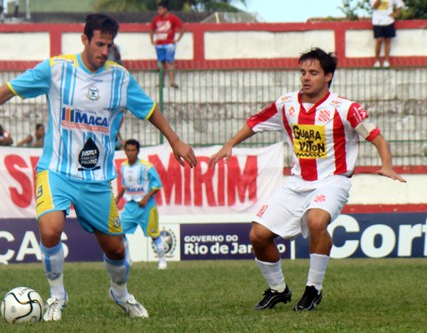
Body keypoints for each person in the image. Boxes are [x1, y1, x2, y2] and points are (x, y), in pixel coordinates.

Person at [0, 13, 196, 321]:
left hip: (97, 181)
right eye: (99, 43)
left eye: (109, 45)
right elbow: (9, 89)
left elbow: (149, 110)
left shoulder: (119, 78)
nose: (104, 51)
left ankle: (120, 293)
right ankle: (57, 296)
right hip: (55, 171)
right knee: (50, 230)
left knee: (116, 250)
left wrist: (175, 141)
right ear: (85, 39)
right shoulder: (57, 69)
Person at [208, 47, 406, 311]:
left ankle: (313, 289)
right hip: (297, 182)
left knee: (316, 220)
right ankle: (278, 290)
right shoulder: (286, 104)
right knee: (258, 235)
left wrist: (387, 165)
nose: (306, 77)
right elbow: (255, 123)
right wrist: (229, 144)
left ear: (328, 76)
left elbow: (376, 137)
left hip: (334, 180)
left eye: (313, 72)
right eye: (303, 72)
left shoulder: (345, 108)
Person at [115, 139, 168, 270]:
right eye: (128, 150)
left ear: (138, 151)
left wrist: (146, 198)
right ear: (125, 151)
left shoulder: (147, 166)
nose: (130, 153)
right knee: (119, 232)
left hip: (146, 207)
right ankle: (128, 259)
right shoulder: (123, 166)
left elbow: (157, 185)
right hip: (130, 206)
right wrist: (117, 199)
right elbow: (124, 185)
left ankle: (162, 260)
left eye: (133, 150)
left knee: (154, 234)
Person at [150, 0, 184, 89]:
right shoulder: (156, 19)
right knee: (161, 63)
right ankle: (161, 82)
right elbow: (151, 29)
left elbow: (182, 27)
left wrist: (177, 39)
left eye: (160, 9)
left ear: (165, 9)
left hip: (169, 44)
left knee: (170, 62)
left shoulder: (172, 18)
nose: (159, 11)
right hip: (159, 44)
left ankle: (172, 82)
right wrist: (152, 40)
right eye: (158, 9)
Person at [371, 0, 404, 68]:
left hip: (389, 21)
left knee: (387, 40)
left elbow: (400, 4)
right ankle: (376, 60)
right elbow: (374, 6)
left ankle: (386, 60)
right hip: (377, 21)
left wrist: (396, 13)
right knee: (379, 40)